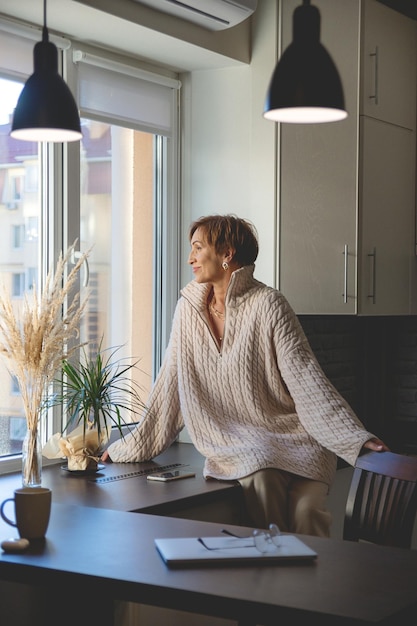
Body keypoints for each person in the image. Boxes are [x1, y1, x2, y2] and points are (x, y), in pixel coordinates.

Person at [102, 214, 388, 537]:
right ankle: (274, 583)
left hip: (299, 444)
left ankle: (309, 587)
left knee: (308, 515)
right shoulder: (187, 313)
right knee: (261, 481)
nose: (190, 258)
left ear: (227, 254)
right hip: (244, 452)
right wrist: (127, 448)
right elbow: (169, 388)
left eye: (198, 248)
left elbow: (310, 382)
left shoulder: (270, 305)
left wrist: (356, 439)